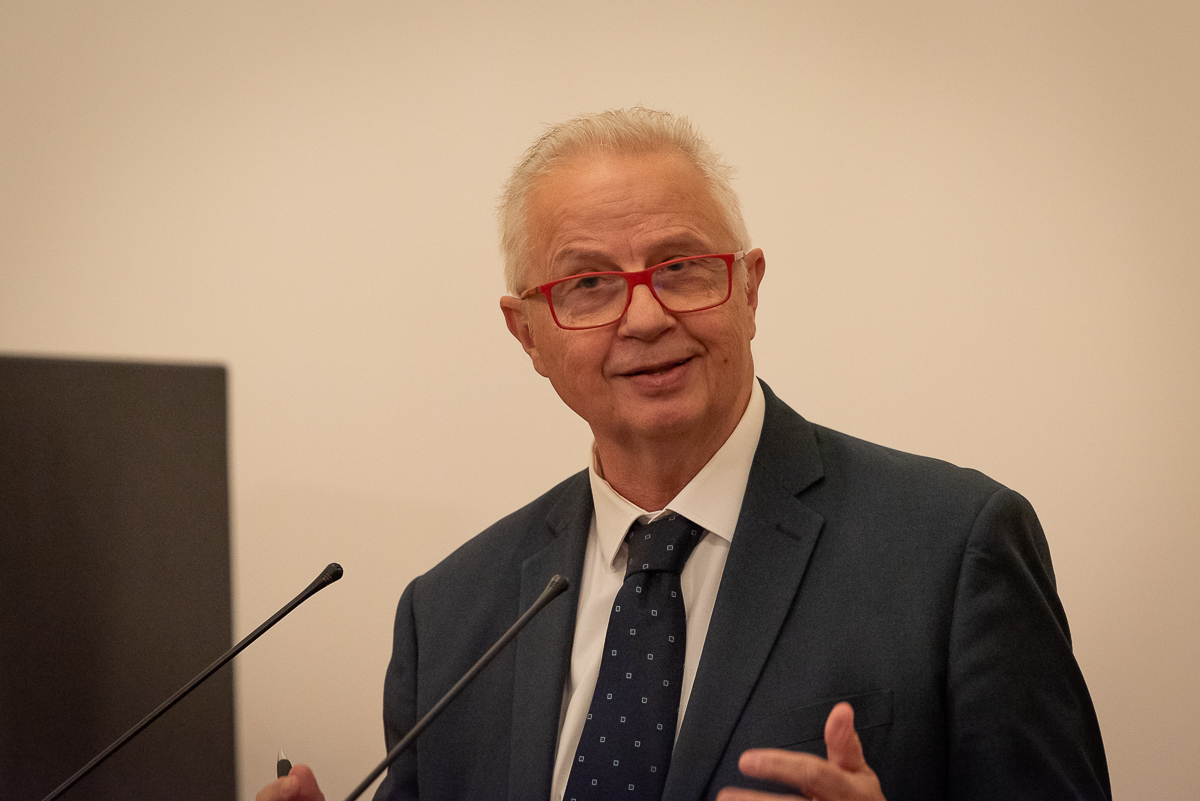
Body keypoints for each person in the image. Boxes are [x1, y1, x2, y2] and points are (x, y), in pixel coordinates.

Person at [258, 108, 1109, 801]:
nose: (644, 317)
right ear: (528, 334)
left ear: (749, 289)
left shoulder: (951, 551)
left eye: (682, 267)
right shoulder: (448, 617)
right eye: (587, 284)